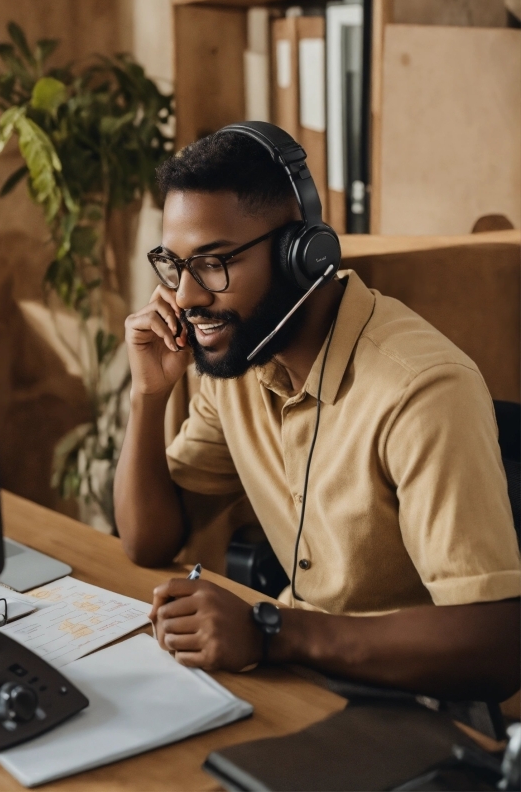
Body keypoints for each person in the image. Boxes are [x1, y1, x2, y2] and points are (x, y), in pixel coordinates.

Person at [114, 128, 520, 701]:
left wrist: (270, 632)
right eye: (174, 265)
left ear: (303, 254)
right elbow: (147, 542)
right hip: (306, 681)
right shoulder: (242, 360)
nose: (184, 297)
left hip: (422, 710)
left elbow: (496, 645)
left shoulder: (420, 390)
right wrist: (148, 395)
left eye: (211, 264)